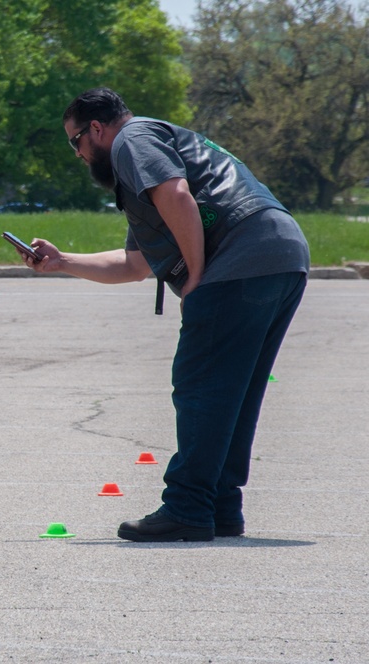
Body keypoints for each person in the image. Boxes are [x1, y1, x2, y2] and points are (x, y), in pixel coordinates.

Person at [20, 87, 309, 542]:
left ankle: (188, 508)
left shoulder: (133, 140)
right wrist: (63, 262)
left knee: (200, 387)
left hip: (242, 256)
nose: (77, 153)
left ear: (97, 129)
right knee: (233, 390)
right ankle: (218, 506)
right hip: (280, 254)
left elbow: (177, 197)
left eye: (75, 141)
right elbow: (136, 265)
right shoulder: (145, 162)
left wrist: (194, 276)